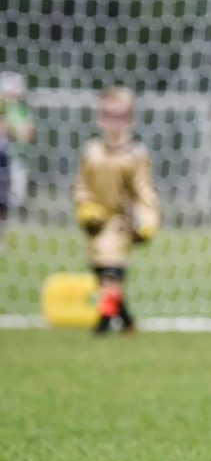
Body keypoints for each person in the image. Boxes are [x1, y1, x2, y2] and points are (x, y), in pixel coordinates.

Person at [73, 86, 161, 335]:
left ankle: (104, 321)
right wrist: (85, 207)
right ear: (100, 118)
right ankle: (126, 320)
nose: (114, 122)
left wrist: (147, 218)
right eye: (109, 115)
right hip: (96, 221)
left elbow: (144, 190)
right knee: (101, 271)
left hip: (123, 221)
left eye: (120, 116)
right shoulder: (92, 152)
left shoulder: (135, 154)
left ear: (130, 119)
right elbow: (82, 185)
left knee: (111, 268)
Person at [1, 72, 35, 225]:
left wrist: (12, 130)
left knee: (16, 196)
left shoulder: (22, 110)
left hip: (17, 158)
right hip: (3, 158)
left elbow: (28, 134)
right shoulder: (2, 108)